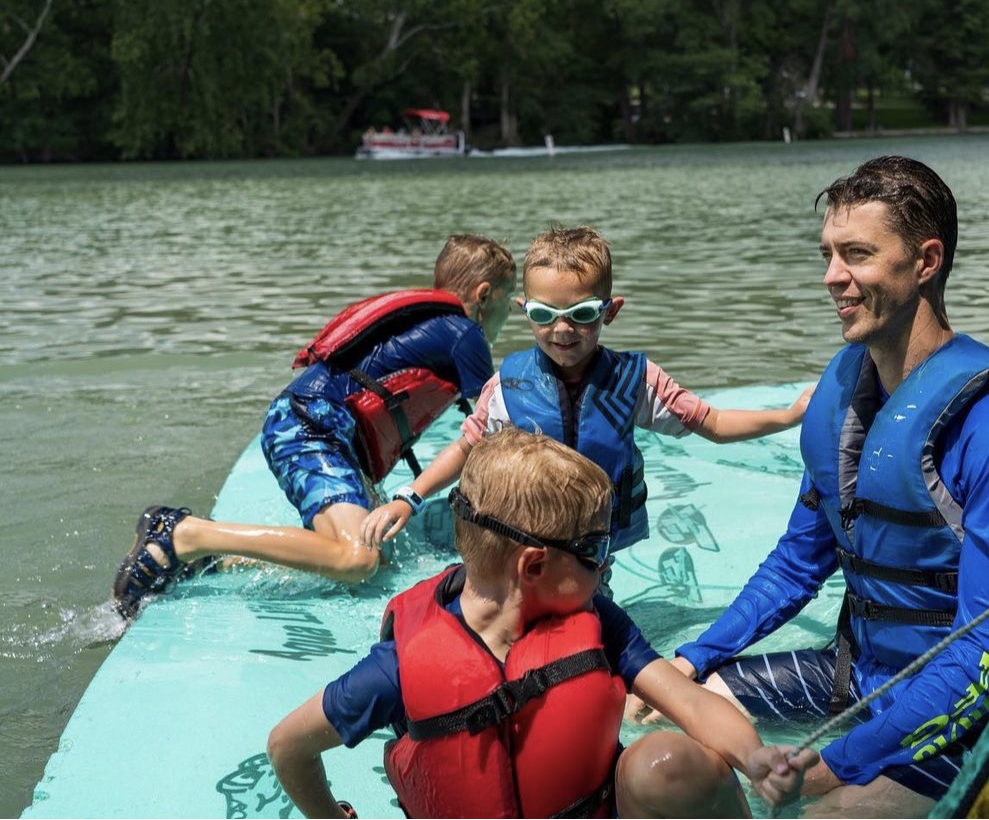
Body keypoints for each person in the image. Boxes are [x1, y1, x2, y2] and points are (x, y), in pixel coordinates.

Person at [629, 156, 989, 817]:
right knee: (652, 750)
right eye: (828, 254)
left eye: (857, 253)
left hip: (972, 708)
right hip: (856, 673)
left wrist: (835, 766)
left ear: (926, 261)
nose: (832, 276)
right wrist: (696, 658)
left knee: (836, 813)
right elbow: (796, 564)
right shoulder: (842, 390)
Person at [267, 427, 818, 818]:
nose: (605, 564)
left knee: (666, 761)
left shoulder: (596, 619)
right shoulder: (400, 670)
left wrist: (754, 757)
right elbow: (288, 745)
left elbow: (691, 702)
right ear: (534, 565)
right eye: (594, 549)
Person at [111, 234, 518, 620]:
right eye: (509, 297)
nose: (511, 310)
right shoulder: (464, 334)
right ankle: (184, 534)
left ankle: (217, 559)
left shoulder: (433, 324)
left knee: (378, 549)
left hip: (310, 423)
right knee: (358, 557)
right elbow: (500, 425)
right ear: (484, 294)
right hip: (311, 428)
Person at [360, 226, 813, 557]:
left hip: (595, 548)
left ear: (609, 311)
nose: (561, 329)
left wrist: (789, 415)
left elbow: (710, 423)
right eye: (543, 314)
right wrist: (410, 496)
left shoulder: (636, 380)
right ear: (523, 310)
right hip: (525, 538)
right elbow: (466, 446)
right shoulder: (509, 385)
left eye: (581, 313)